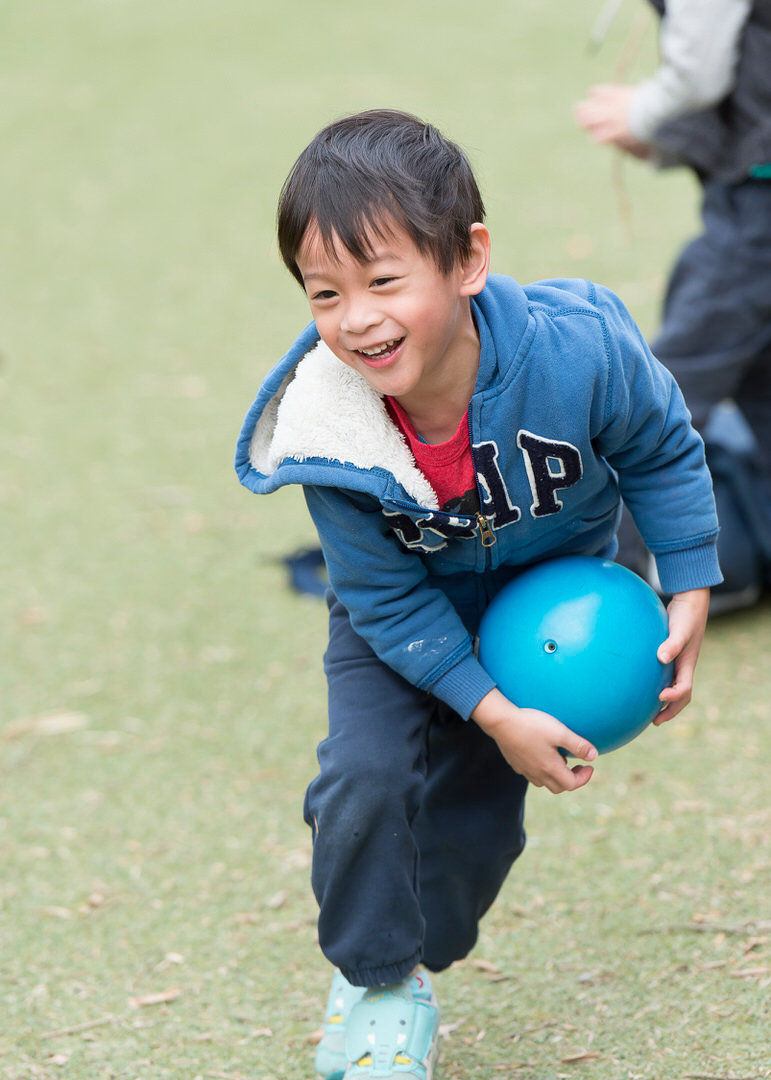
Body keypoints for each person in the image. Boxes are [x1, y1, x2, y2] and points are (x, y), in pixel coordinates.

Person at [235, 109, 721, 1080]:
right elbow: (382, 601)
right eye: (324, 292)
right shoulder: (329, 427)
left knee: (478, 825)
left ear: (467, 260)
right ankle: (376, 983)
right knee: (364, 781)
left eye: (383, 281)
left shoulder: (577, 352)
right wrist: (491, 709)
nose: (356, 318)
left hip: (549, 592)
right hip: (403, 617)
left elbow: (661, 449)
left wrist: (691, 585)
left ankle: (421, 952)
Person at [575, 0, 771, 610]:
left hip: (758, 211)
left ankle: (609, 597)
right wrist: (660, 140)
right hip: (749, 190)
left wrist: (643, 110)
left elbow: (699, 72)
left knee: (654, 400)